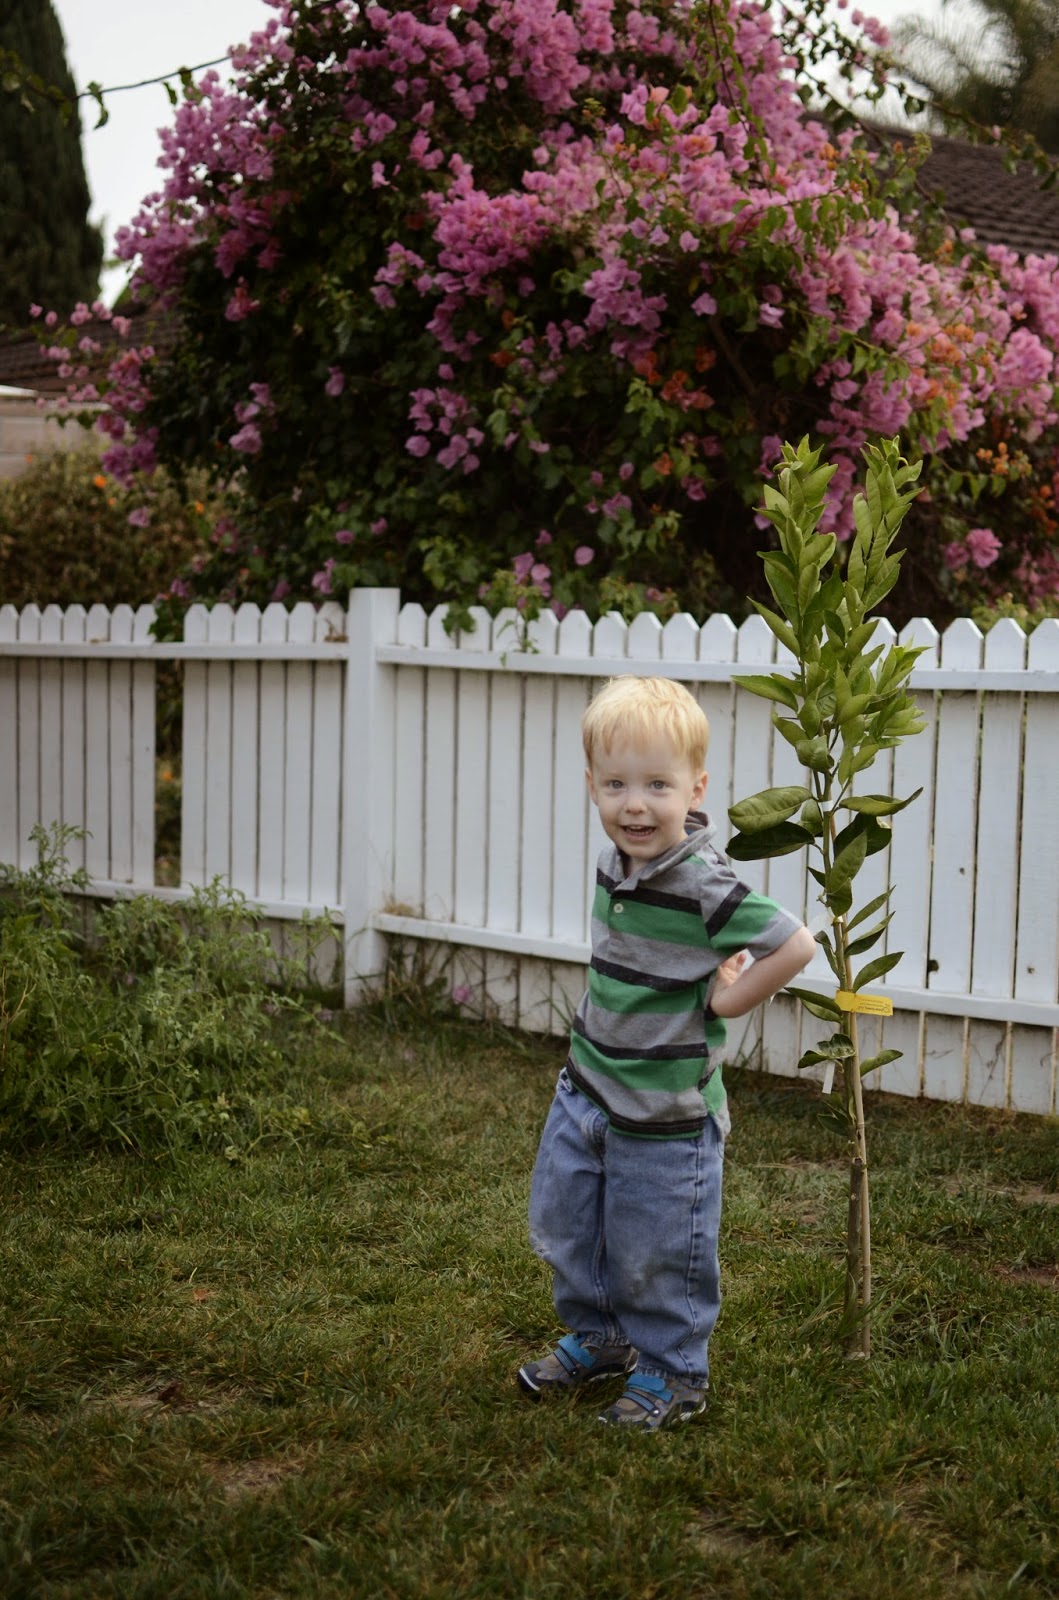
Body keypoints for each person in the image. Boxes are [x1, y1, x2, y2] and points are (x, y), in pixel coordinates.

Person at [518, 675, 816, 1431]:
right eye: (615, 784)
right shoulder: (612, 865)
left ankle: (673, 1373)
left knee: (657, 1249)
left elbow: (793, 944)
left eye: (657, 784)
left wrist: (727, 1000)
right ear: (591, 786)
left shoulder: (702, 881)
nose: (635, 804)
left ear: (695, 787)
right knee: (567, 1226)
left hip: (664, 1115)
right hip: (587, 1090)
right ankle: (602, 1335)